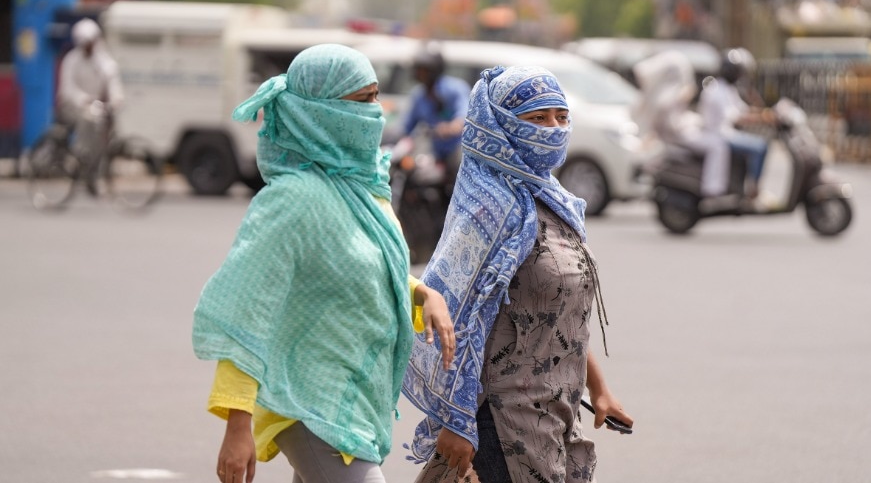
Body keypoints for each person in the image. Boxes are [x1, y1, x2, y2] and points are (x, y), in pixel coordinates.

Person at [192, 44, 456, 483]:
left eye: (377, 98)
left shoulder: (362, 189)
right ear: (320, 111)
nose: (376, 113)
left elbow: (367, 270)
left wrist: (423, 293)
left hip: (351, 397)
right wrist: (237, 426)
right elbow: (244, 310)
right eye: (363, 100)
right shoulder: (291, 200)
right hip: (310, 399)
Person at [402, 65, 634, 483]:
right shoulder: (491, 209)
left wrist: (598, 388)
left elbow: (557, 313)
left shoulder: (554, 198)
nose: (554, 129)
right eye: (537, 118)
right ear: (501, 125)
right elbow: (462, 320)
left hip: (555, 412)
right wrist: (458, 422)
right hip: (503, 423)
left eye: (561, 117)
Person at [632, 50, 730, 198]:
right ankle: (712, 188)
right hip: (680, 137)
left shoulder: (665, 96)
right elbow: (671, 125)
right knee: (718, 146)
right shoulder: (667, 98)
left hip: (678, 135)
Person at [56, 18, 124, 193]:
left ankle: (94, 173)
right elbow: (68, 89)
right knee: (88, 119)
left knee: (106, 133)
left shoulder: (102, 60)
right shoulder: (71, 60)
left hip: (96, 107)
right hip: (71, 107)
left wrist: (116, 98)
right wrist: (84, 100)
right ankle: (78, 155)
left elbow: (112, 79)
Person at [697, 47, 775, 199]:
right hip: (719, 134)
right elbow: (736, 117)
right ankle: (753, 191)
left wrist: (766, 113)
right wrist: (762, 118)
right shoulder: (716, 91)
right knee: (759, 147)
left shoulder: (726, 89)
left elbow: (742, 109)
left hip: (724, 132)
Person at [395, 41, 471, 194]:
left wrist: (451, 127)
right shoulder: (419, 95)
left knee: (461, 173)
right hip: (433, 151)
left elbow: (463, 118)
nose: (418, 73)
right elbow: (406, 127)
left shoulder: (455, 89)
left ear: (434, 70)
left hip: (457, 149)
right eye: (417, 69)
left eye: (423, 69)